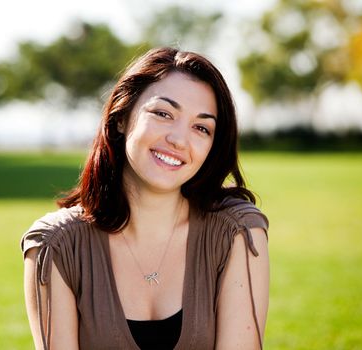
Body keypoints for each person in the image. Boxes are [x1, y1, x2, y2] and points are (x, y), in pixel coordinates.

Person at [21, 47, 269, 350]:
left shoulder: (236, 231)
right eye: (163, 113)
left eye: (201, 127)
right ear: (122, 117)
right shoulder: (56, 245)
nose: (179, 139)